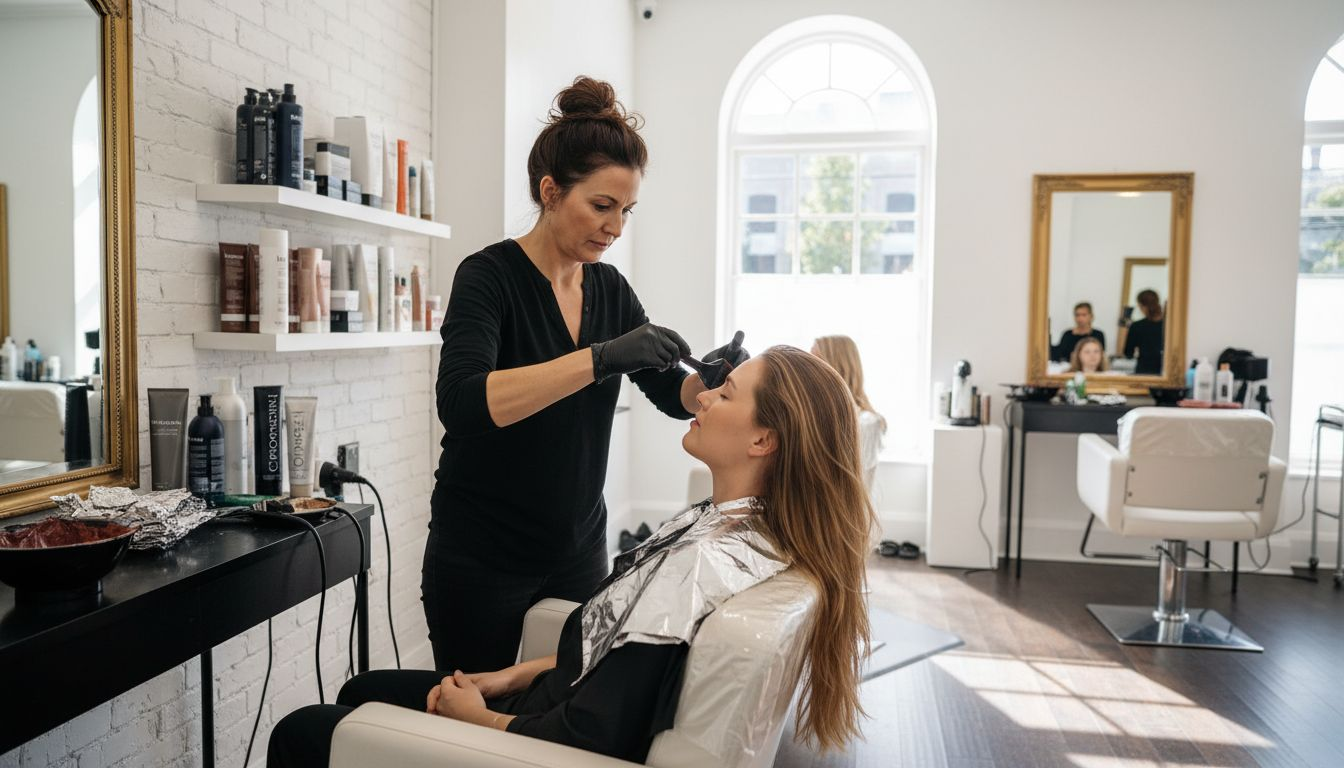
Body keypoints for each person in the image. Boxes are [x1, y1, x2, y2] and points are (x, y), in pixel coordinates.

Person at [268, 347, 875, 767]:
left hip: (543, 744)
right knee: (364, 688)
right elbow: (609, 646)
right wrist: (508, 674)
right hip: (544, 702)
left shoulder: (702, 570)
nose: (705, 396)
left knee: (303, 732)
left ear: (762, 440)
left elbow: (589, 737)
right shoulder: (737, 538)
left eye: (728, 392)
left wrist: (474, 718)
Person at [426, 76, 748, 674]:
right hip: (480, 553)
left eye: (625, 210)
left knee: (560, 711)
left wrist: (708, 379)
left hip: (577, 547)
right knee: (468, 714)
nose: (616, 227)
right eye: (602, 206)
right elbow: (464, 402)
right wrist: (601, 358)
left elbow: (669, 393)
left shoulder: (609, 288)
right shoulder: (488, 277)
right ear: (550, 192)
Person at [811, 335, 885, 492]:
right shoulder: (816, 415)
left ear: (836, 367)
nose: (806, 368)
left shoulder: (866, 423)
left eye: (815, 361)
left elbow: (854, 489)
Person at [1122, 288, 1165, 375]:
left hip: (1144, 371)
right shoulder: (1169, 326)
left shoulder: (1137, 326)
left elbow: (1128, 353)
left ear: (1142, 306)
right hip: (1164, 371)